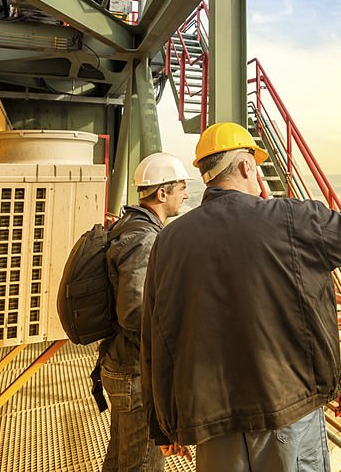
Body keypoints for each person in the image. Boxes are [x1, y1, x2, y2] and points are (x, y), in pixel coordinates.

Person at [141, 122, 341, 471]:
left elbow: (154, 338)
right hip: (286, 406)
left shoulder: (168, 240)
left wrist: (163, 426)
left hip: (212, 420)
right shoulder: (288, 217)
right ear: (247, 167)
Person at [100, 152, 190, 471]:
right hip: (134, 373)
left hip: (119, 361)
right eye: (181, 187)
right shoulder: (146, 239)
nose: (187, 194)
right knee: (143, 463)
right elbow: (135, 311)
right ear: (162, 193)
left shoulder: (129, 224)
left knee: (121, 455)